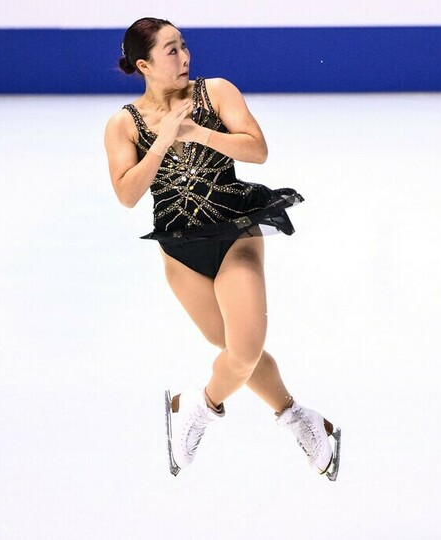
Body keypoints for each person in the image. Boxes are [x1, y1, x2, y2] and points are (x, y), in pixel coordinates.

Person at [104, 17, 341, 480]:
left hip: (236, 230)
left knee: (245, 352)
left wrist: (198, 133)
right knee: (231, 351)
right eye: (171, 50)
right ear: (144, 65)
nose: (185, 57)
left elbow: (258, 150)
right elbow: (127, 195)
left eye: (184, 45)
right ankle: (300, 418)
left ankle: (197, 408)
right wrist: (163, 141)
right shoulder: (123, 124)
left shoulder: (215, 92)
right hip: (181, 249)